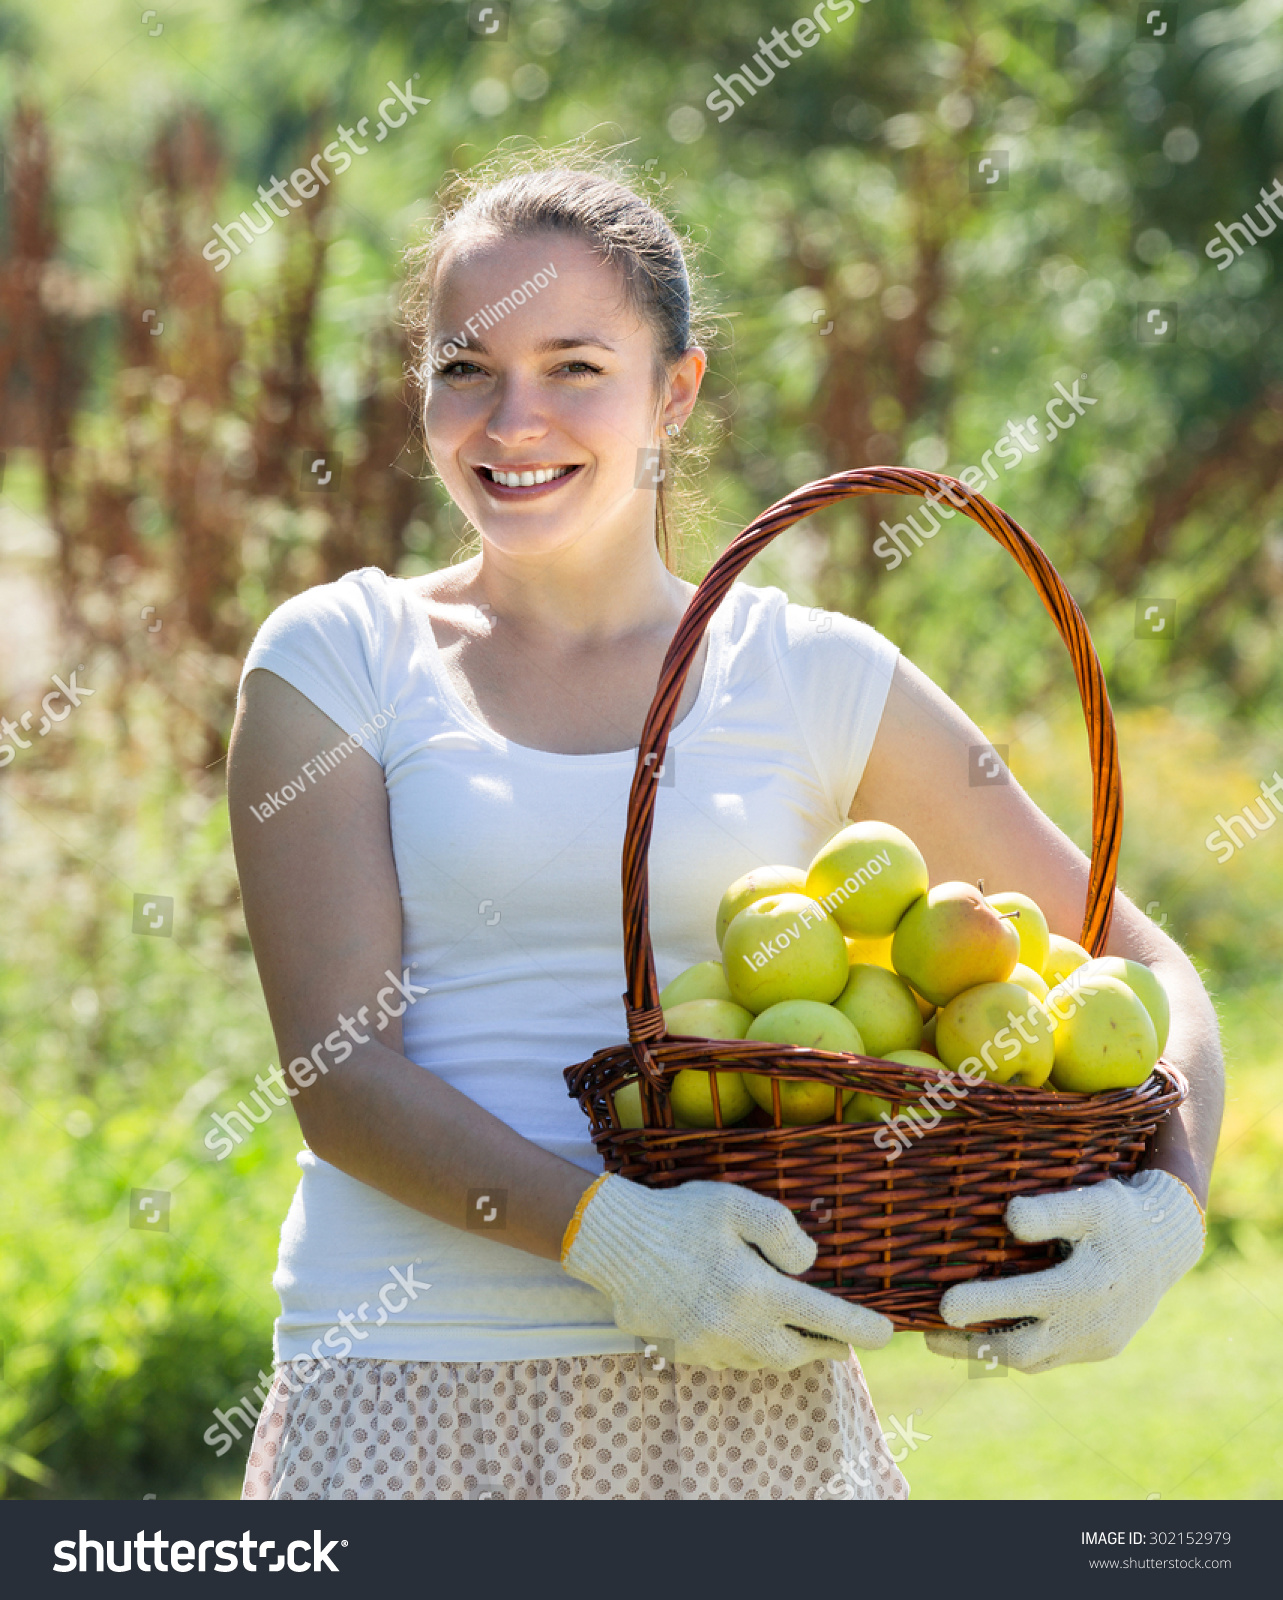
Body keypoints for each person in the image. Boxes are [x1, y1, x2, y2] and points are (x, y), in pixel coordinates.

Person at [228, 152, 1222, 1502]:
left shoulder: (810, 673)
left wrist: (1170, 1209)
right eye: (465, 368)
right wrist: (613, 1240)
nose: (512, 419)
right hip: (412, 1379)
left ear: (674, 393)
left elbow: (1149, 971)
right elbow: (339, 1079)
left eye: (576, 365)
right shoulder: (339, 656)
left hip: (750, 1397)